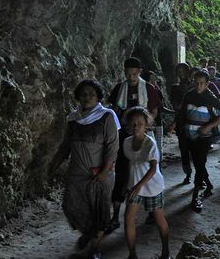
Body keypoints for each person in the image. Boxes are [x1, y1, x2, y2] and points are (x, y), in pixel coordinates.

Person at [49, 79, 120, 258]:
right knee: (71, 206)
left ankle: (95, 248)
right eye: (84, 94)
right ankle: (88, 232)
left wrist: (105, 171)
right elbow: (65, 146)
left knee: (99, 212)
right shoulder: (73, 119)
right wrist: (54, 164)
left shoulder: (107, 117)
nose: (87, 97)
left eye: (91, 94)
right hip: (76, 172)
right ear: (78, 97)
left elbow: (112, 147)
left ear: (98, 97)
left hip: (98, 174)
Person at [107, 57, 159, 233]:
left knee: (147, 172)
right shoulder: (119, 89)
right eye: (127, 74)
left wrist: (143, 127)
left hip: (143, 135)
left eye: (134, 73)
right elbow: (114, 110)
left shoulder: (149, 89)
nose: (131, 77)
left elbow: (154, 111)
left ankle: (152, 210)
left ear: (140, 72)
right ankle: (115, 215)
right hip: (124, 135)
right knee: (122, 173)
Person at [123, 107, 170, 259]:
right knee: (128, 218)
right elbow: (130, 165)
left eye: (140, 124)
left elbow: (153, 168)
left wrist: (137, 186)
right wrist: (129, 185)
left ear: (146, 125)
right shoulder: (127, 142)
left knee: (159, 219)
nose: (136, 126)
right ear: (128, 126)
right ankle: (132, 254)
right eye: (133, 124)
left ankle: (166, 252)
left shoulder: (150, 143)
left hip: (152, 186)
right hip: (135, 185)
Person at [177, 70, 220, 212]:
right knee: (199, 163)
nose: (198, 86)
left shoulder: (210, 98)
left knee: (199, 164)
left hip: (203, 138)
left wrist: (208, 126)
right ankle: (209, 186)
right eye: (196, 83)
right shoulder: (188, 95)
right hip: (188, 136)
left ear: (207, 84)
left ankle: (195, 197)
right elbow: (182, 113)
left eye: (201, 84)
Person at [169, 63, 194, 184]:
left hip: (195, 122)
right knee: (184, 150)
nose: (181, 73)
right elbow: (175, 106)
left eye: (183, 71)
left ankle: (200, 176)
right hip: (181, 122)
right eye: (178, 71)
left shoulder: (195, 86)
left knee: (196, 152)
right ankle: (188, 173)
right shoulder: (175, 88)